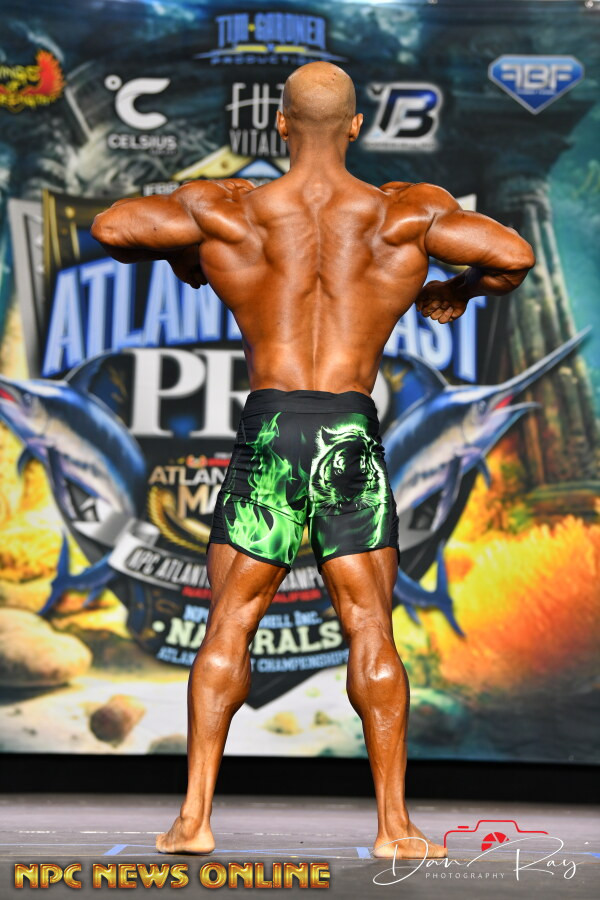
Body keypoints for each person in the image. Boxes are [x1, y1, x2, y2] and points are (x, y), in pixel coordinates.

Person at [91, 61, 534, 860]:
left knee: (230, 622)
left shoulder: (231, 210)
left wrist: (189, 247)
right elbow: (511, 253)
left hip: (270, 432)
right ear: (357, 126)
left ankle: (193, 820)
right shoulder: (405, 213)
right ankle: (395, 828)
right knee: (370, 625)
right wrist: (459, 290)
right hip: (347, 439)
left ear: (281, 125)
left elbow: (115, 229)